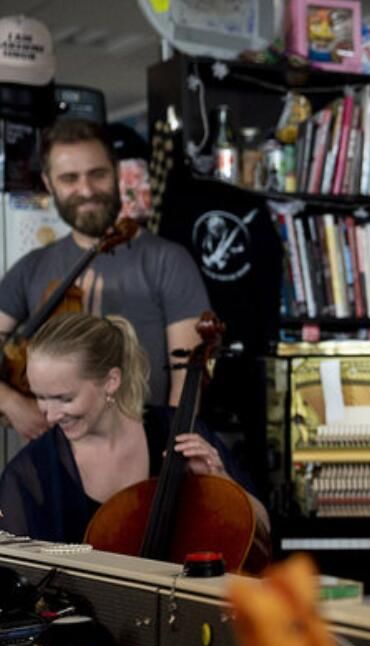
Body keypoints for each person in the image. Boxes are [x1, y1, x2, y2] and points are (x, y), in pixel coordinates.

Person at [0, 118, 210, 440]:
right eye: (70, 178)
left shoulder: (167, 260)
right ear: (49, 182)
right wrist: (13, 403)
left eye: (97, 174)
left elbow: (187, 385)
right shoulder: (31, 268)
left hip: (142, 453)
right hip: (55, 463)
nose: (86, 190)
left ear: (115, 172)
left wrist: (169, 456)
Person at [0, 312, 266, 544]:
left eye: (65, 398)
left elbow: (263, 530)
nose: (50, 416)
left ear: (111, 381)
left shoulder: (179, 430)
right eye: (40, 397)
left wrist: (221, 479)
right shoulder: (29, 474)